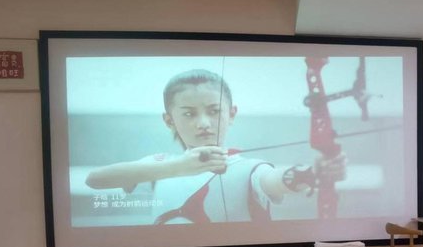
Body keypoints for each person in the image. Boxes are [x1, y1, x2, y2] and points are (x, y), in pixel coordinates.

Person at [85, 68, 346, 223]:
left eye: (214, 111)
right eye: (189, 114)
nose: (203, 123)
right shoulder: (160, 165)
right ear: (169, 120)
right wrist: (179, 167)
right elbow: (95, 179)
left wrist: (313, 173)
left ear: (231, 114)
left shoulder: (250, 168)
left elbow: (275, 180)